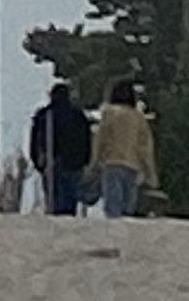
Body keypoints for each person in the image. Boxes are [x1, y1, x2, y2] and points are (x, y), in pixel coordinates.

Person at [27, 78, 93, 219]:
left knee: (54, 198)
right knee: (70, 198)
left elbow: (36, 140)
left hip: (52, 163)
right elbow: (87, 140)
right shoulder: (78, 115)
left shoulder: (44, 115)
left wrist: (38, 162)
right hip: (75, 164)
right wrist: (86, 161)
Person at [92, 78, 156, 220]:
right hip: (132, 164)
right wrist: (150, 173)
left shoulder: (109, 113)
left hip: (111, 162)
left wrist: (95, 162)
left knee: (113, 207)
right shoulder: (138, 118)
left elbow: (100, 139)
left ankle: (114, 231)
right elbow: (145, 147)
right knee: (128, 207)